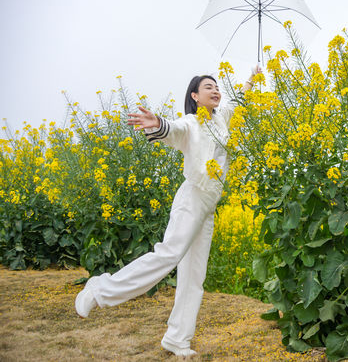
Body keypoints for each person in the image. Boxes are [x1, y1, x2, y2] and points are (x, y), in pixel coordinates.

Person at [74, 65, 262, 357]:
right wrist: (156, 123)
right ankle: (98, 290)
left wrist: (252, 76)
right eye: (208, 87)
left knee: (193, 276)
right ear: (195, 96)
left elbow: (239, 100)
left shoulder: (222, 118)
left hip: (209, 205)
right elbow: (172, 130)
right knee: (168, 255)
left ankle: (177, 339)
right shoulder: (191, 122)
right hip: (192, 198)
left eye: (217, 86)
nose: (215, 90)